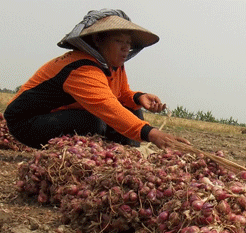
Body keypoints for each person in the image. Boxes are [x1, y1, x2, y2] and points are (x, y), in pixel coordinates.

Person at [4, 9, 189, 150]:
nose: (126, 48)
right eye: (119, 41)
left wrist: (138, 98)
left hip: (63, 114)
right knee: (93, 122)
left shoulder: (113, 66)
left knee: (133, 112)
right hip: (27, 122)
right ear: (98, 40)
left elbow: (121, 94)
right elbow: (106, 105)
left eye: (128, 43)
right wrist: (151, 133)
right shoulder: (81, 67)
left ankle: (125, 157)